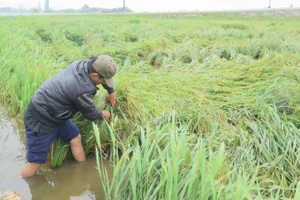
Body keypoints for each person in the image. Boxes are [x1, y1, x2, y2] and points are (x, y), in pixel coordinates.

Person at [20, 55, 118, 178]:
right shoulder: (81, 89)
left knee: (75, 137)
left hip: (57, 114)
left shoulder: (83, 64)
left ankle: (82, 171)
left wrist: (111, 91)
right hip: (41, 120)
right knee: (35, 162)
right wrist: (104, 114)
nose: (105, 83)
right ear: (94, 75)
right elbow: (91, 113)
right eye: (104, 80)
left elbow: (101, 74)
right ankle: (17, 186)